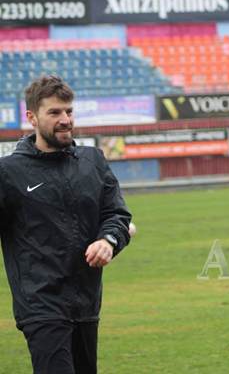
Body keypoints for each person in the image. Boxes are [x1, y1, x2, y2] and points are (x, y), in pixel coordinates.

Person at [0, 75, 132, 374]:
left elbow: (117, 215)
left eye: (69, 111)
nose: (65, 120)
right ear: (32, 117)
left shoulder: (92, 161)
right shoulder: (9, 172)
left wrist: (108, 241)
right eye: (54, 112)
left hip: (86, 303)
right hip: (40, 305)